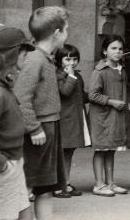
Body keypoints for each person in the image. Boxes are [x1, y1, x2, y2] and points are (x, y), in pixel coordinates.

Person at [13, 6, 69, 220]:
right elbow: (21, 96)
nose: (67, 33)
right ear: (57, 33)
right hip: (40, 132)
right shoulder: (35, 59)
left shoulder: (44, 57)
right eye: (67, 29)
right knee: (28, 187)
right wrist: (34, 127)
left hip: (49, 128)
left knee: (45, 188)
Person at [0, 27, 36, 220]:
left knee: (25, 215)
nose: (25, 57)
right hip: (1, 170)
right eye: (23, 52)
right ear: (12, 54)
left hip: (13, 165)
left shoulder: (3, 86)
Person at [88, 35, 130, 197]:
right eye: (113, 48)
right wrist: (112, 102)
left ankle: (110, 182)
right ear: (104, 51)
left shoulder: (121, 70)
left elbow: (123, 90)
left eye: (120, 49)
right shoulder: (99, 71)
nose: (118, 52)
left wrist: (127, 102)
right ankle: (99, 184)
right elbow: (92, 95)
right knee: (101, 150)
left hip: (114, 117)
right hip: (102, 117)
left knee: (110, 150)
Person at [54, 45, 90, 198]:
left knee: (69, 152)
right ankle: (56, 186)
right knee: (61, 153)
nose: (72, 63)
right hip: (64, 120)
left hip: (76, 118)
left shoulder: (77, 75)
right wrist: (71, 76)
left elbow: (82, 96)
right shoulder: (59, 75)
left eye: (75, 59)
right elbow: (66, 91)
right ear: (59, 60)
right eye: (67, 59)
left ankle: (65, 182)